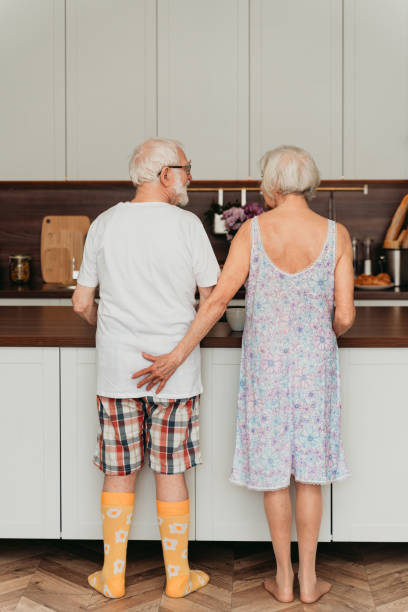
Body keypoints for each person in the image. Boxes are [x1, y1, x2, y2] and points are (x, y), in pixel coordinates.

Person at [132, 145, 356, 605]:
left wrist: (176, 355)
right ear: (309, 183)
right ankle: (311, 580)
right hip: (316, 366)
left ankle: (283, 579)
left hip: (266, 367)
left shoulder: (253, 232)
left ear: (271, 185)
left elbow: (215, 303)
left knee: (275, 471)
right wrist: (320, 327)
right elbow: (346, 316)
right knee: (309, 473)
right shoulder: (338, 235)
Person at [72, 137, 219, 599]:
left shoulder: (104, 223)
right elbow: (214, 300)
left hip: (118, 372)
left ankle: (112, 577)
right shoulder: (187, 226)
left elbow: (80, 303)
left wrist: (116, 333)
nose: (190, 176)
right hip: (176, 373)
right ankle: (179, 579)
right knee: (170, 471)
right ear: (164, 174)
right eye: (186, 167)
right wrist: (175, 354)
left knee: (119, 471)